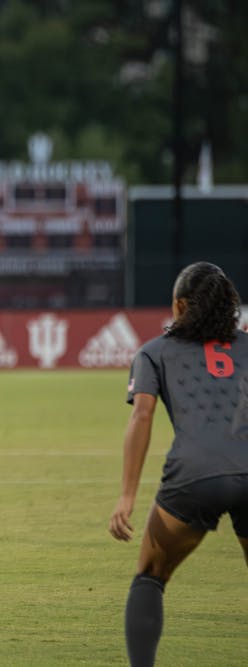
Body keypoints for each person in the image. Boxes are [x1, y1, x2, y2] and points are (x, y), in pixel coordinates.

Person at [108, 261, 248, 666]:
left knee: (150, 574)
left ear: (182, 306)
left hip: (194, 476)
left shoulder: (154, 352)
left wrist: (126, 497)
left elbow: (142, 416)